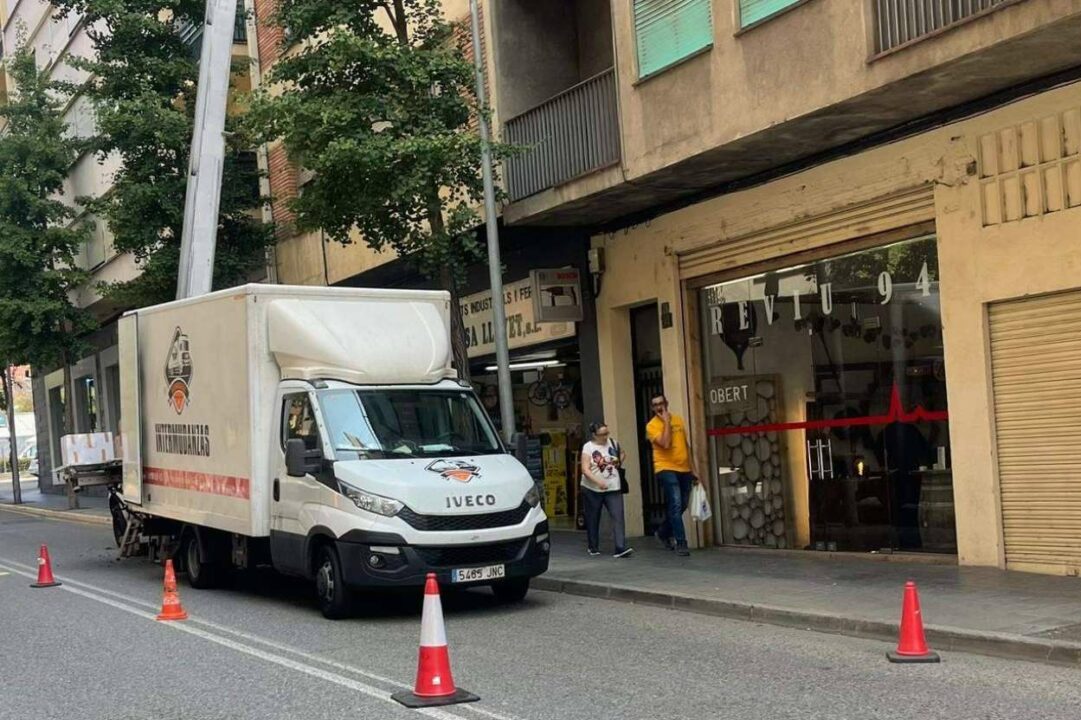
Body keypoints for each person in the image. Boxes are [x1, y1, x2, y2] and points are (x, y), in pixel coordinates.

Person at [646, 393, 701, 556]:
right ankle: (681, 542)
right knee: (676, 504)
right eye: (655, 405)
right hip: (665, 468)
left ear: (666, 403)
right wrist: (666, 422)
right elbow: (665, 443)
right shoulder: (652, 426)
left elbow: (686, 445)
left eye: (661, 403)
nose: (658, 407)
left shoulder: (679, 420)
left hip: (684, 468)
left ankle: (663, 531)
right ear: (652, 408)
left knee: (683, 504)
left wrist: (695, 470)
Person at [580, 422, 634, 558]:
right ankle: (593, 546)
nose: (605, 437)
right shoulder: (588, 447)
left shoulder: (613, 443)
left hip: (613, 486)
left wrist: (618, 462)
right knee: (593, 517)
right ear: (594, 435)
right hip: (592, 488)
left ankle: (620, 547)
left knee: (618, 516)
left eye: (606, 433)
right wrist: (598, 481)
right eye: (602, 434)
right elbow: (585, 469)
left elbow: (622, 453)